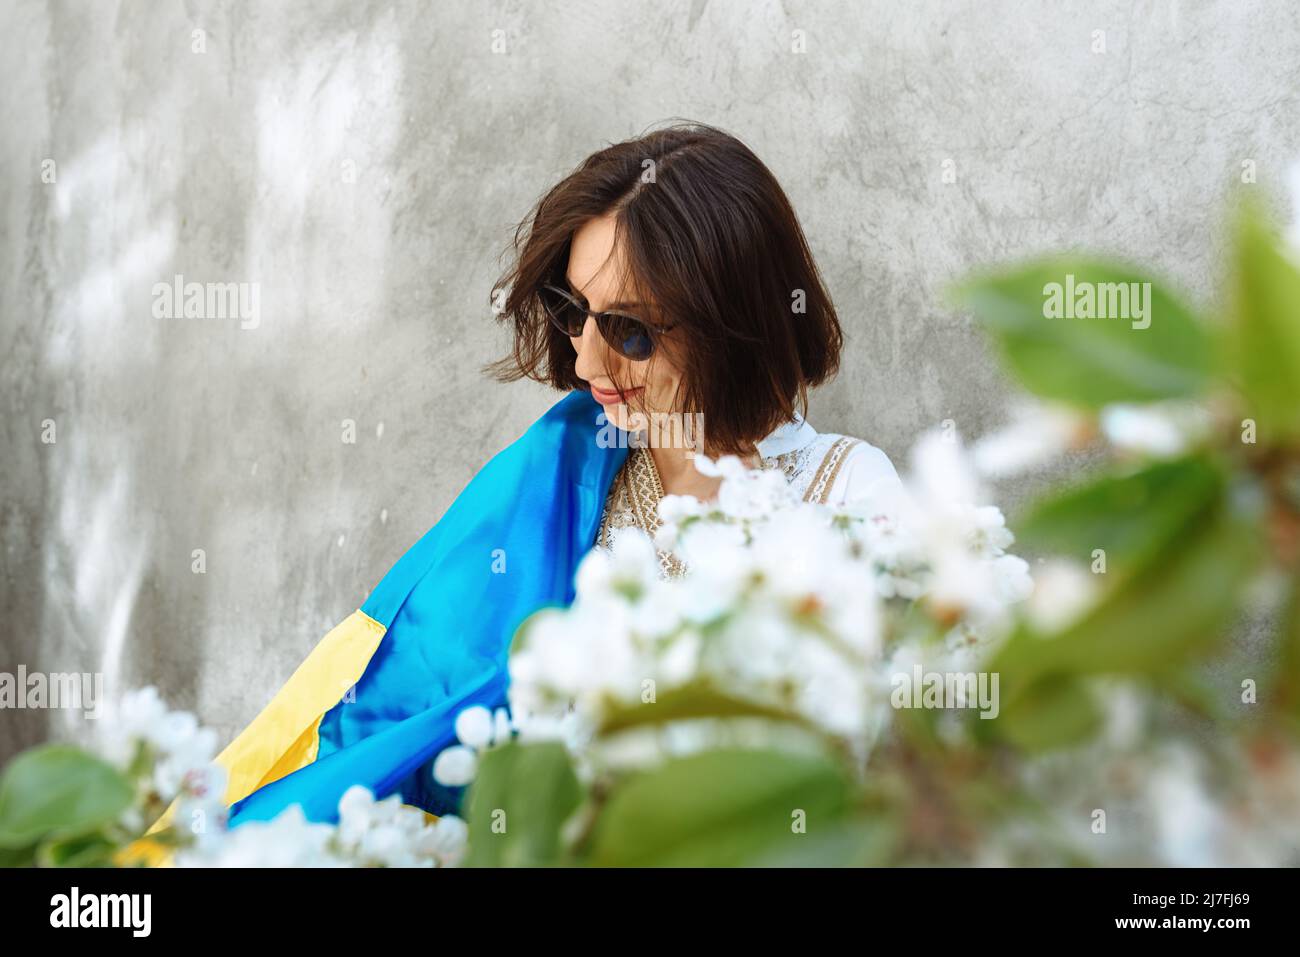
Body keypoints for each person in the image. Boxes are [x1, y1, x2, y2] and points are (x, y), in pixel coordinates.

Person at [155, 121, 901, 837]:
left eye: (630, 331)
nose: (585, 365)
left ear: (733, 320)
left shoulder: (844, 494)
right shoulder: (564, 478)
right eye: (576, 313)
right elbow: (411, 711)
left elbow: (878, 773)